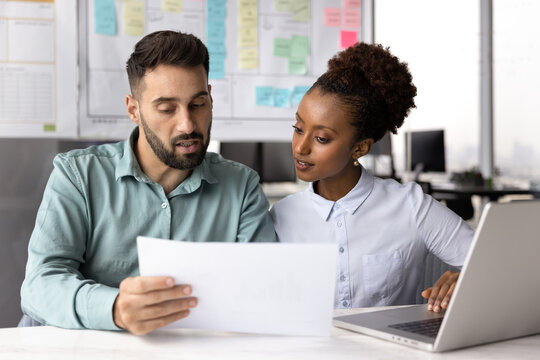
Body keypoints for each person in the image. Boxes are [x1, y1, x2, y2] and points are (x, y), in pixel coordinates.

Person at [20, 30, 276, 335]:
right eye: (167, 109)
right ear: (133, 110)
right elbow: (39, 285)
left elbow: (264, 292)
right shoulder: (78, 175)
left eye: (198, 104)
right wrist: (114, 309)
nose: (188, 125)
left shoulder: (242, 186)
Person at [270, 43, 473, 314]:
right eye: (298, 128)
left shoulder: (410, 206)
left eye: (321, 138)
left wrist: (465, 281)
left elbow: (495, 263)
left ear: (360, 148)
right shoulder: (281, 216)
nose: (300, 147)